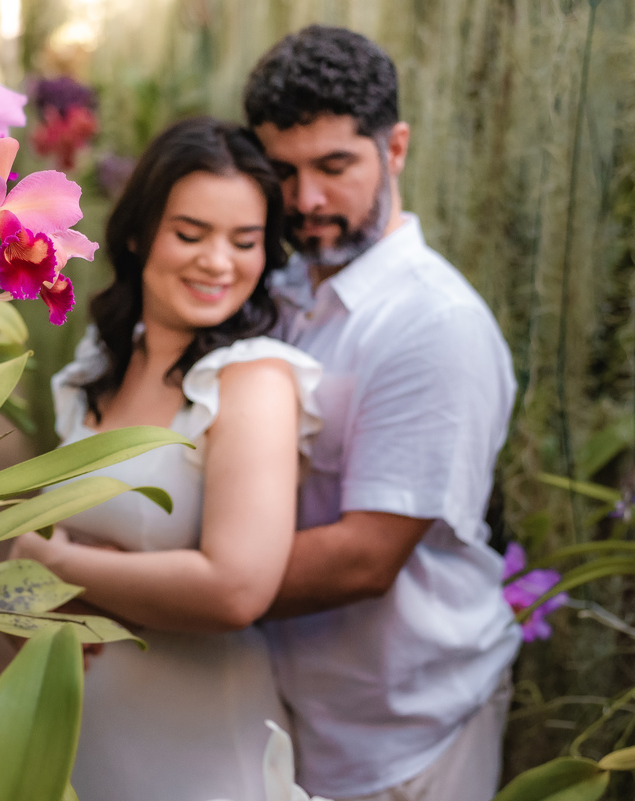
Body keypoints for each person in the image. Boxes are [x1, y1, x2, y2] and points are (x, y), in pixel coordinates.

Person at [244, 25, 521, 801]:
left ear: (394, 149)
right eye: (284, 172)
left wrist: (169, 585)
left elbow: (366, 557)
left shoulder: (433, 323)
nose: (307, 200)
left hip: (407, 740)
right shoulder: (281, 291)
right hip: (296, 718)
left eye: (335, 166)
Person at [11, 117, 322, 801]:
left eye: (245, 242)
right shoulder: (101, 361)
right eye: (190, 233)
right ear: (136, 232)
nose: (219, 262)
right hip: (86, 730)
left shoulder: (253, 381)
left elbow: (236, 587)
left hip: (201, 747)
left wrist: (49, 563)